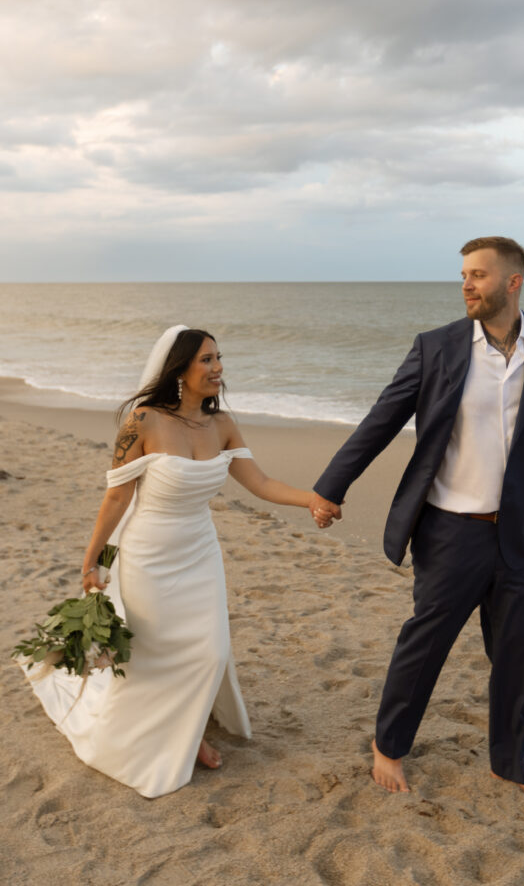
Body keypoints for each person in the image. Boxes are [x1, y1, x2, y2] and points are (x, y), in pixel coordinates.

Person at [310, 237, 524, 799]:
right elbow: (382, 420)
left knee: (516, 653)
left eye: (479, 275)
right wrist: (331, 486)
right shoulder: (436, 347)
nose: (466, 284)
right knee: (425, 645)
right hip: (450, 532)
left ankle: (509, 765)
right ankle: (389, 747)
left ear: (512, 282)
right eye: (464, 274)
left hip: (520, 535)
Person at [20, 325, 330, 798]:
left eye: (219, 358)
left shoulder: (222, 423)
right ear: (179, 369)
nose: (218, 367)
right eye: (206, 360)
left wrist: (312, 499)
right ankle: (187, 737)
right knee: (152, 654)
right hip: (147, 554)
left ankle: (188, 728)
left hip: (199, 552)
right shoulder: (143, 421)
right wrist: (94, 561)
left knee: (209, 652)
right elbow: (117, 499)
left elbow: (261, 483)